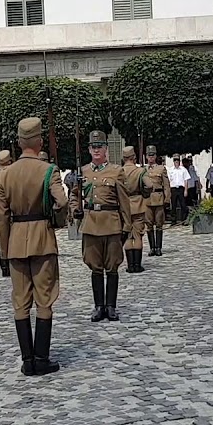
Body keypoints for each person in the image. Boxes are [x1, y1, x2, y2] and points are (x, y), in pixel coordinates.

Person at [0, 117, 68, 376]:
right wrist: (55, 221)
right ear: (39, 142)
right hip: (42, 239)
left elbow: (1, 217)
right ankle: (42, 357)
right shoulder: (49, 170)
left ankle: (27, 360)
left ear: (19, 143)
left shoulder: (5, 175)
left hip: (15, 242)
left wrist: (5, 250)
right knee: (44, 299)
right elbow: (62, 201)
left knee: (20, 302)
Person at [68, 131, 133, 322]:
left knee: (112, 266)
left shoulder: (116, 171)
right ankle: (99, 306)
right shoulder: (83, 172)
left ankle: (111, 306)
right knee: (94, 266)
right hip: (91, 223)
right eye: (93, 147)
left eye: (100, 147)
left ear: (106, 149)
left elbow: (124, 200)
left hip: (111, 223)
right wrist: (75, 210)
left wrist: (127, 225)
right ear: (89, 150)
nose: (97, 150)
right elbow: (74, 195)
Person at [118, 145, 147, 274]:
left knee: (128, 235)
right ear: (133, 157)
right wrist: (145, 193)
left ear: (123, 158)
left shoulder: (119, 171)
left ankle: (130, 265)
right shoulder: (140, 171)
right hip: (138, 204)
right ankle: (137, 265)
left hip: (124, 206)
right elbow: (149, 185)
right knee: (138, 235)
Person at [141, 146, 170, 256]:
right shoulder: (143, 170)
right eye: (149, 155)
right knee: (148, 225)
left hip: (158, 198)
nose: (151, 157)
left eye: (152, 155)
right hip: (147, 200)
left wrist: (167, 199)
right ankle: (152, 247)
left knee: (159, 224)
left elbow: (166, 185)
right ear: (146, 157)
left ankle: (158, 247)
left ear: (155, 156)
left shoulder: (161, 168)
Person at [167, 156, 189, 225]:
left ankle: (184, 220)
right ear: (173, 162)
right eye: (175, 161)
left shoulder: (183, 169)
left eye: (178, 161)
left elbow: (186, 180)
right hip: (173, 189)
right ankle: (173, 220)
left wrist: (186, 190)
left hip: (181, 189)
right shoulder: (170, 170)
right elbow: (168, 181)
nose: (176, 162)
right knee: (173, 205)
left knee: (183, 205)